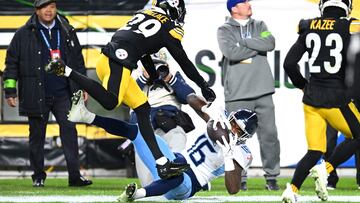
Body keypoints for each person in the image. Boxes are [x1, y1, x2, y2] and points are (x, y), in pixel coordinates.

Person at [44, 0, 216, 179]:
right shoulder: (168, 26)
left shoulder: (143, 14)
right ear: (174, 8)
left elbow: (143, 52)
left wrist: (153, 75)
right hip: (117, 62)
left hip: (113, 60)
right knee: (111, 102)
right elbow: (184, 62)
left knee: (143, 108)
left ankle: (162, 163)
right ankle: (66, 70)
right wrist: (203, 85)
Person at [67, 90, 257, 201]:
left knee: (177, 174)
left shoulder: (242, 152)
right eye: (232, 122)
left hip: (189, 184)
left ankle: (135, 195)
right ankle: (86, 116)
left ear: (245, 136)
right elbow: (190, 98)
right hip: (176, 160)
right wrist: (208, 109)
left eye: (237, 129)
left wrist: (228, 151)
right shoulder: (220, 121)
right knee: (137, 132)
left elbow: (233, 189)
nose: (231, 128)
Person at [2, 0, 92, 187]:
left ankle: (75, 177)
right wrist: (10, 90)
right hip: (36, 93)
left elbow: (78, 61)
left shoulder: (67, 30)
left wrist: (84, 86)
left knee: (70, 132)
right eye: (44, 7)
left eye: (52, 6)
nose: (49, 10)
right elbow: (11, 64)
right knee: (37, 136)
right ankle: (38, 177)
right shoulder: (22, 34)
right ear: (36, 10)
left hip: (64, 93)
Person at [281, 0, 360, 202]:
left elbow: (289, 63)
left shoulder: (307, 26)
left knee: (315, 150)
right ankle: (326, 168)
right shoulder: (350, 25)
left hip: (311, 99)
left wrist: (302, 85)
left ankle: (292, 189)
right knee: (358, 135)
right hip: (336, 98)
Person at [217, 0, 280, 191]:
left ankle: (271, 177)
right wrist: (256, 46)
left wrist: (243, 42)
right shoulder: (224, 29)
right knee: (237, 139)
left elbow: (270, 43)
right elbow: (231, 52)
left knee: (269, 136)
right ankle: (240, 178)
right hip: (237, 92)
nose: (248, 3)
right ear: (234, 8)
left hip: (263, 90)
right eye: (244, 2)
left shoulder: (260, 25)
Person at [129, 56, 196, 186]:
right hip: (143, 120)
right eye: (151, 66)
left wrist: (170, 79)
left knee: (178, 136)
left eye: (159, 66)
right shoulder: (134, 73)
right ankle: (152, 187)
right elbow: (124, 98)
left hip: (169, 120)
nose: (155, 70)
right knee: (147, 181)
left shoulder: (172, 73)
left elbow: (188, 96)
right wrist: (143, 78)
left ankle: (177, 178)